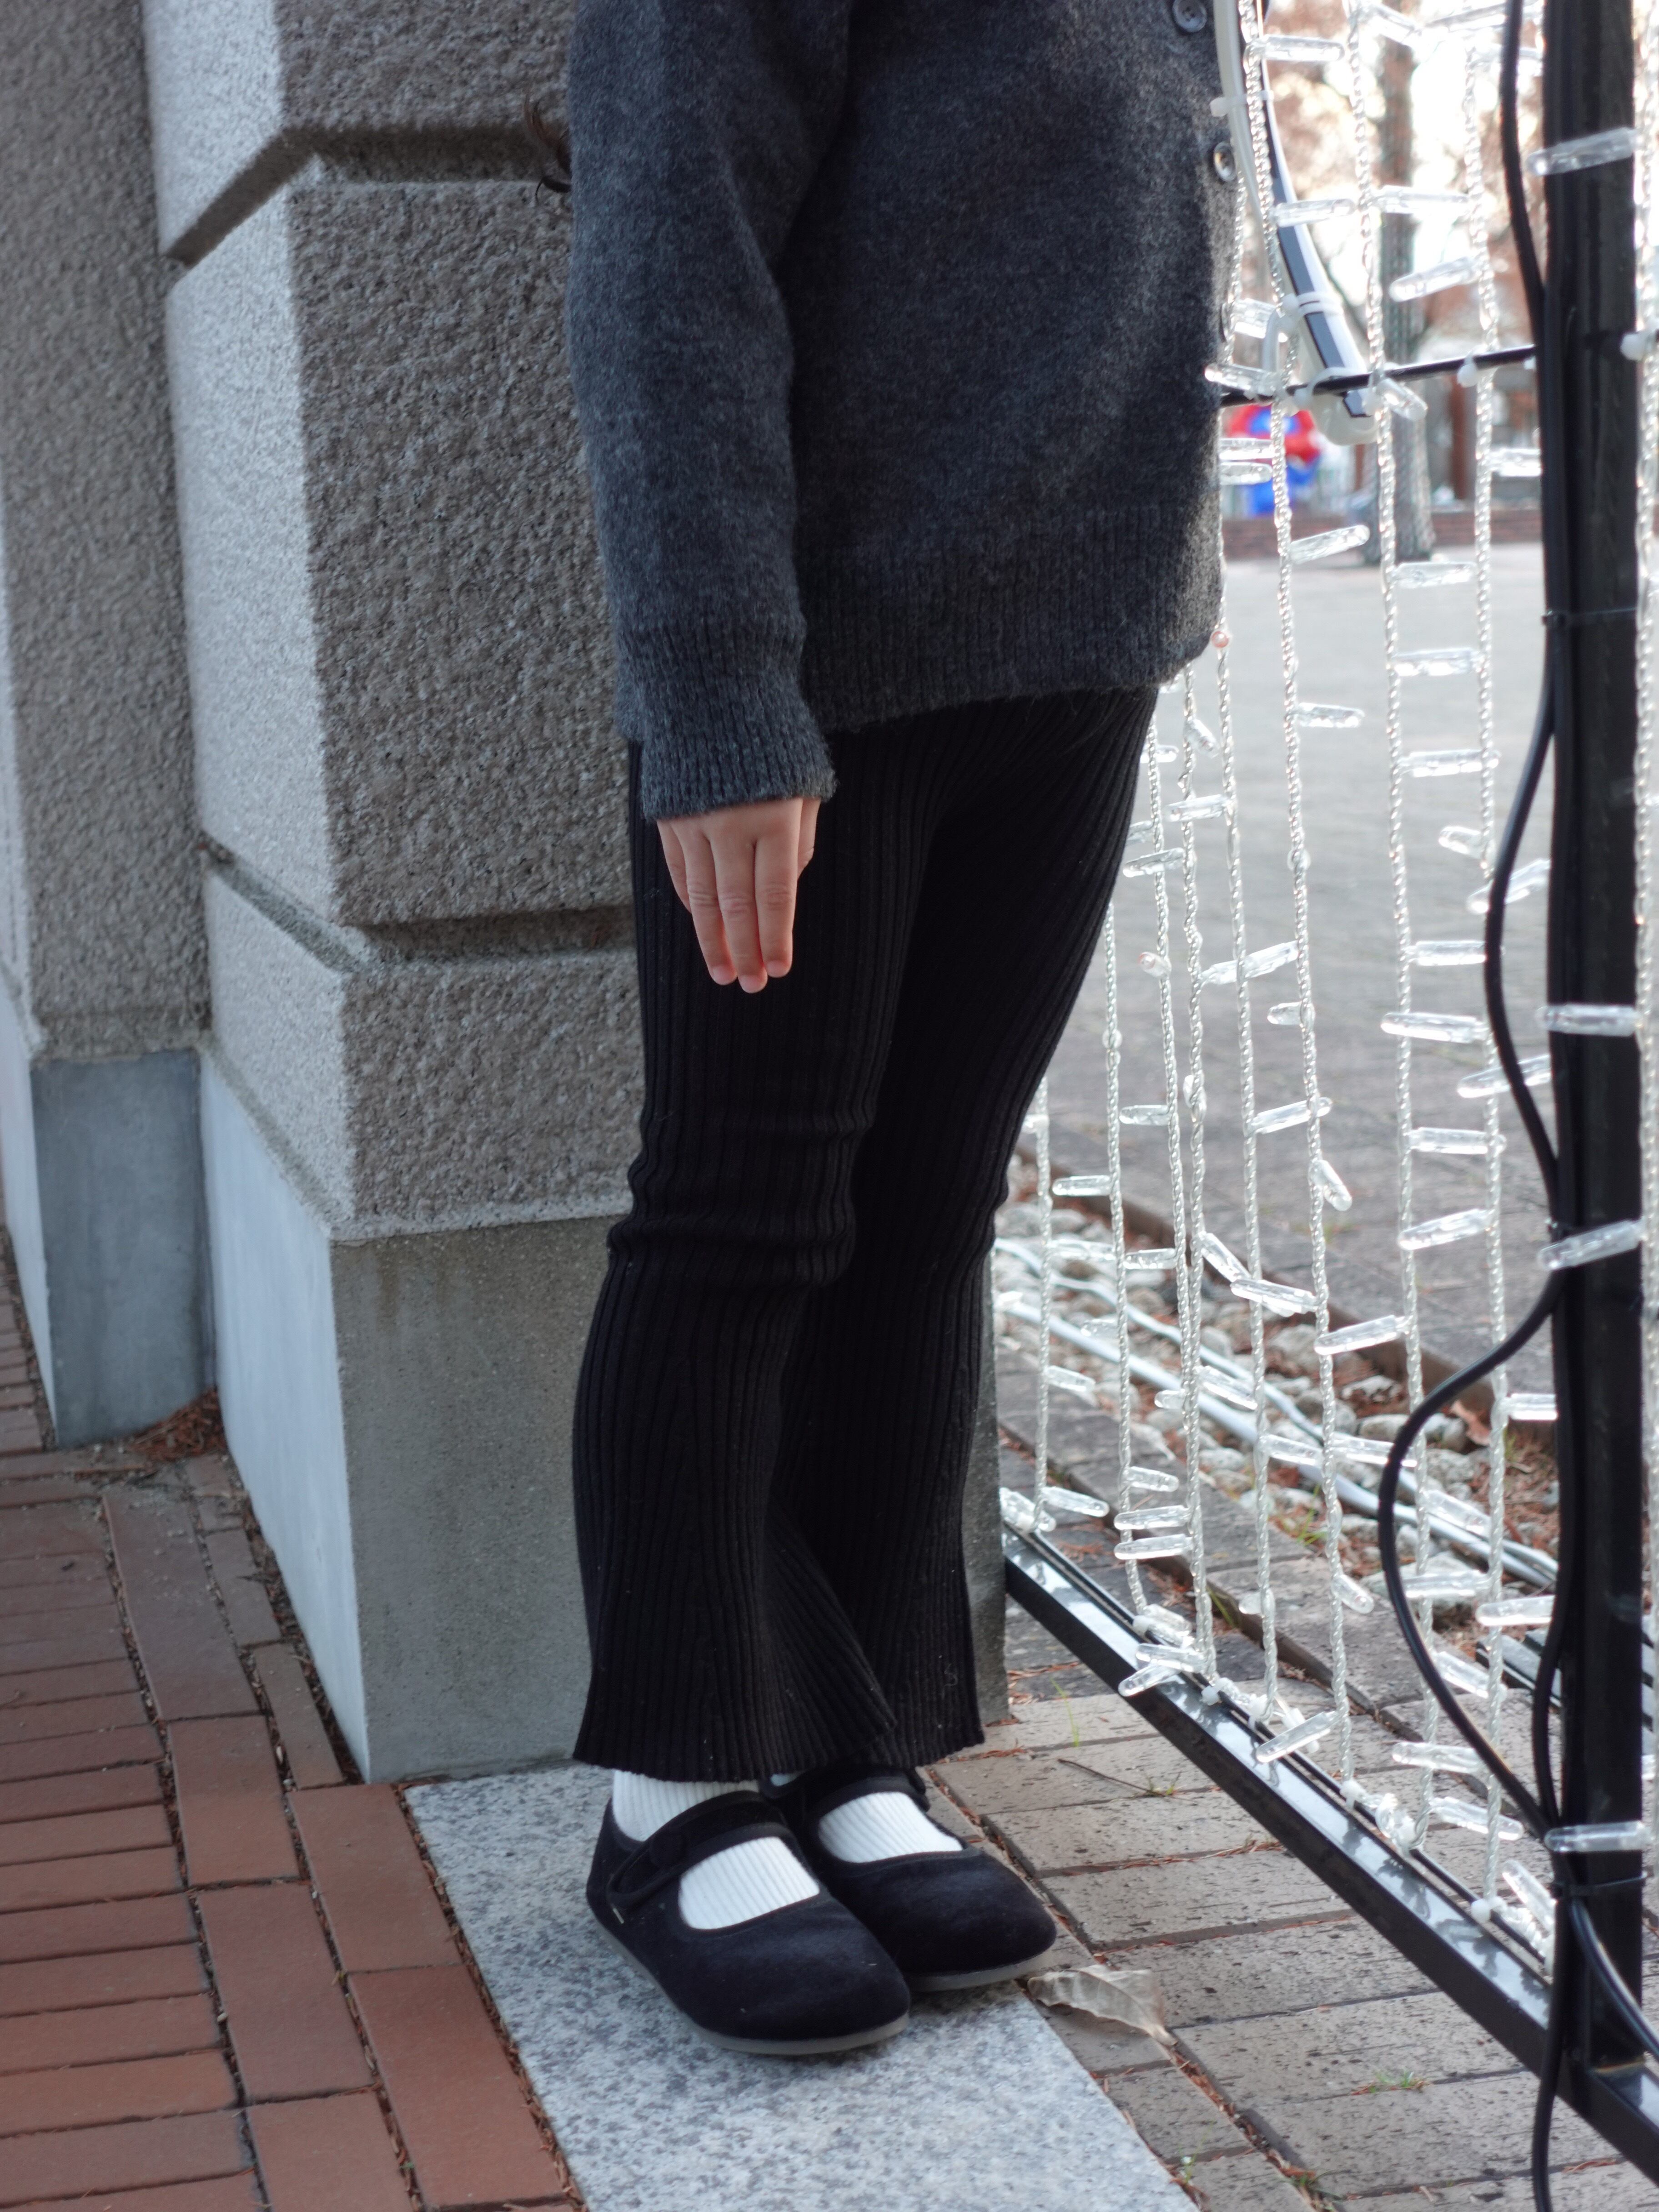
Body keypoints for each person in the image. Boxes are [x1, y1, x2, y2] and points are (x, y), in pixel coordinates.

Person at [559, 0, 1231, 2055]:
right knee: (742, 1222)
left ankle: (850, 1745)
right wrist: (716, 694)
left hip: (1086, 644)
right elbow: (667, 241)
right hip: (830, 671)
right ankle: (673, 1792)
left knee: (929, 1211)